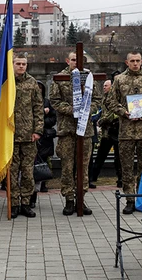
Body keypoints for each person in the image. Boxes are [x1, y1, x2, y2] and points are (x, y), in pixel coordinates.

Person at [106, 51, 142, 215]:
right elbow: (110, 101)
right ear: (127, 62)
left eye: (138, 60)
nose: (135, 63)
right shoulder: (119, 80)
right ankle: (130, 200)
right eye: (132, 61)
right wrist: (124, 112)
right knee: (126, 168)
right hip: (126, 131)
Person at [50, 52, 102, 216]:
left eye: (79, 60)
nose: (76, 62)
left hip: (85, 130)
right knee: (67, 167)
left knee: (83, 166)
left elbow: (98, 99)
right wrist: (72, 110)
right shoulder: (60, 78)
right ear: (67, 61)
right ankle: (69, 200)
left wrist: (86, 109)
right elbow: (55, 101)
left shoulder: (89, 78)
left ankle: (81, 199)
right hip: (67, 129)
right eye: (73, 60)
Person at [9, 54, 44, 219]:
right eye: (18, 64)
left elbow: (38, 108)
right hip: (11, 135)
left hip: (29, 136)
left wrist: (38, 130)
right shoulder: (6, 82)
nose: (21, 66)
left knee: (28, 172)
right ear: (13, 64)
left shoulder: (32, 83)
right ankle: (14, 203)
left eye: (24, 64)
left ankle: (26, 202)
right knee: (12, 172)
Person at [91, 80, 122, 188]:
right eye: (103, 85)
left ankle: (120, 178)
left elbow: (113, 113)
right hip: (106, 132)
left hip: (115, 130)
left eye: (106, 86)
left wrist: (103, 120)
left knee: (118, 157)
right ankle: (93, 176)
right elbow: (102, 111)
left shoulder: (116, 97)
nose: (104, 87)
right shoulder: (103, 98)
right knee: (100, 155)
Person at [31, 80, 56, 205]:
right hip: (32, 136)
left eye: (41, 88)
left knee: (44, 161)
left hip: (45, 137)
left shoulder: (47, 102)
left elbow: (53, 119)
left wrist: (44, 118)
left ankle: (44, 183)